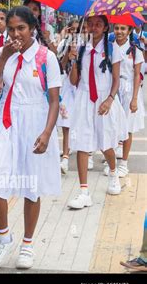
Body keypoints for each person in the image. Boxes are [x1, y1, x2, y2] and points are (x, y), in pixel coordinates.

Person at [0, 6, 62, 270]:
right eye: (11, 28)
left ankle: (27, 245)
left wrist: (48, 132)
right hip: (5, 123)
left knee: (31, 186)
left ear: (32, 29)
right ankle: (4, 238)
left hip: (34, 123)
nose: (15, 34)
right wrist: (3, 57)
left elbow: (54, 100)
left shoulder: (45, 57)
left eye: (21, 28)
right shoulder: (6, 54)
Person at [68, 16, 128, 209]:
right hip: (84, 99)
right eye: (91, 24)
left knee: (106, 144)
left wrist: (109, 99)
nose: (94, 28)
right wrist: (73, 59)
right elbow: (73, 81)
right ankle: (84, 192)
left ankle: (113, 171)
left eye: (98, 24)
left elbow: (116, 79)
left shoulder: (112, 49)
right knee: (82, 145)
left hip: (104, 100)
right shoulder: (82, 49)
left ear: (105, 27)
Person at [105, 24, 144, 178]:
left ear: (129, 31)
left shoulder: (135, 51)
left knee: (127, 128)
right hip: (113, 91)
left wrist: (134, 98)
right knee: (112, 127)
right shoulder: (108, 48)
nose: (119, 31)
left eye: (123, 29)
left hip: (129, 91)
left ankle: (124, 164)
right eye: (117, 28)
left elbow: (137, 76)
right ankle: (112, 163)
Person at [57, 19, 80, 174]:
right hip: (66, 87)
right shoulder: (64, 44)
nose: (75, 33)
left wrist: (78, 58)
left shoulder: (87, 46)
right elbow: (61, 66)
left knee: (79, 122)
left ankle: (87, 153)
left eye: (78, 30)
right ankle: (65, 158)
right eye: (72, 30)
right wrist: (68, 55)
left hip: (80, 89)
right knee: (65, 123)